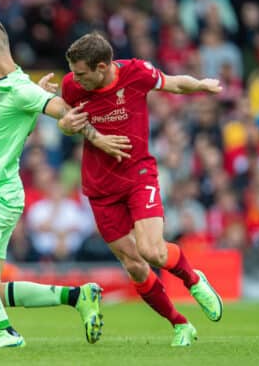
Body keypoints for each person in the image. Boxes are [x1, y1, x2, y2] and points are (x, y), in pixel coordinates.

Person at [0, 19, 132, 349]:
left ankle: (7, 333)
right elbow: (20, 108)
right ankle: (79, 296)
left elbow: (63, 111)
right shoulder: (7, 86)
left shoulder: (22, 90)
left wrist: (84, 131)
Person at [60, 32, 223, 347]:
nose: (76, 80)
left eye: (82, 73)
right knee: (135, 265)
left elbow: (174, 83)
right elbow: (62, 115)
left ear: (103, 67)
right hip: (100, 188)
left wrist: (201, 85)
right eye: (74, 73)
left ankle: (193, 279)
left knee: (152, 251)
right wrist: (64, 125)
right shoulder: (72, 85)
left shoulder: (136, 72)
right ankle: (180, 325)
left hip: (138, 175)